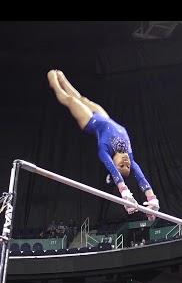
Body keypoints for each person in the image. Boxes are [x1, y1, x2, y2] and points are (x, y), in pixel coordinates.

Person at [47, 69, 159, 220]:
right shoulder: (129, 155)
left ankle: (54, 83)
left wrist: (124, 192)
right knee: (83, 99)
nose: (126, 163)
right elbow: (139, 175)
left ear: (113, 161)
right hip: (105, 118)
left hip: (92, 123)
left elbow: (113, 171)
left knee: (72, 100)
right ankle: (63, 79)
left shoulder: (104, 150)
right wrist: (151, 197)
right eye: (127, 167)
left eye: (121, 166)